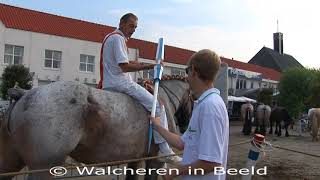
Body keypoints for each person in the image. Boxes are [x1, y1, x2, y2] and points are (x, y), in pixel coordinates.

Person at [98, 13, 181, 163]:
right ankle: (164, 148)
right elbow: (124, 66)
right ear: (122, 23)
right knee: (157, 105)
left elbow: (127, 61)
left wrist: (145, 65)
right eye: (131, 26)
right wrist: (152, 65)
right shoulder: (118, 39)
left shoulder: (110, 37)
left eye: (135, 27)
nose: (133, 30)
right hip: (120, 83)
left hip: (108, 83)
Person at [150, 49, 229, 180]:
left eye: (186, 71)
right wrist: (158, 127)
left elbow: (211, 163)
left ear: (193, 70)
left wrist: (176, 171)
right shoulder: (203, 103)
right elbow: (182, 143)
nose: (186, 77)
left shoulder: (210, 107)